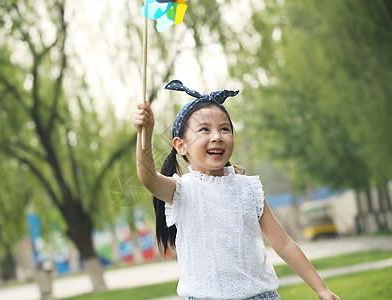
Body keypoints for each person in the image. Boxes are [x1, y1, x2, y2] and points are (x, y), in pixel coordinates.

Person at [133, 79, 340, 300]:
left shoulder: (248, 189)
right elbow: (148, 178)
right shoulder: (183, 190)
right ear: (181, 145)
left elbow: (284, 243)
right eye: (204, 129)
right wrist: (144, 133)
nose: (217, 137)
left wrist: (321, 288)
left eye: (225, 129)